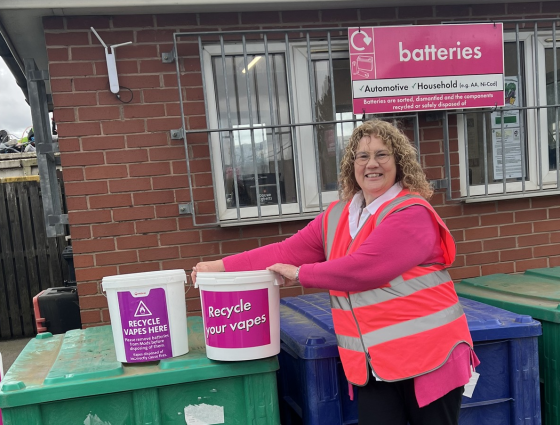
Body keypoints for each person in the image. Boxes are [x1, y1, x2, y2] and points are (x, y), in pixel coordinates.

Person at [192, 119, 479, 425]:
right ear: (351, 164)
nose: (372, 164)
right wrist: (218, 267)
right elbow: (284, 251)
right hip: (376, 365)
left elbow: (364, 269)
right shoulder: (338, 215)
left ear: (399, 162)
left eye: (382, 155)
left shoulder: (411, 212)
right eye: (362, 156)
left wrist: (301, 274)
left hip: (430, 356)